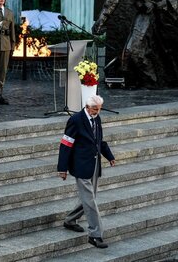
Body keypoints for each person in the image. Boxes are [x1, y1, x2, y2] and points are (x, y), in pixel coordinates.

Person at [57, 95, 115, 249]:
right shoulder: (75, 120)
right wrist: (62, 168)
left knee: (90, 198)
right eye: (95, 109)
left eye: (99, 109)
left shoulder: (97, 118)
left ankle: (70, 220)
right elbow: (66, 144)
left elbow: (99, 140)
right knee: (90, 201)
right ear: (87, 107)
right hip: (81, 166)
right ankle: (95, 235)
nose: (98, 111)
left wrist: (109, 156)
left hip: (94, 164)